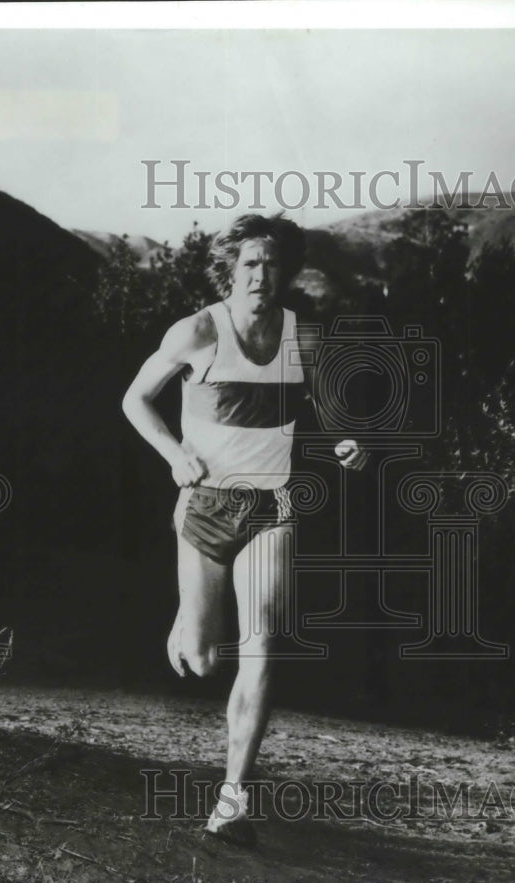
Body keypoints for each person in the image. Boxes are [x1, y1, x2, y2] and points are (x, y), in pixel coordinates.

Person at [122, 213, 367, 845]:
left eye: (272, 264)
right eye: (250, 264)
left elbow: (332, 413)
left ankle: (233, 799)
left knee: (263, 644)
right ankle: (187, 623)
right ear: (231, 270)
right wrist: (176, 455)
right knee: (203, 662)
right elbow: (134, 399)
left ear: (286, 272)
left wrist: (348, 443)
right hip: (203, 509)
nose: (261, 275)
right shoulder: (199, 331)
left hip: (272, 509)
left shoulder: (300, 339)